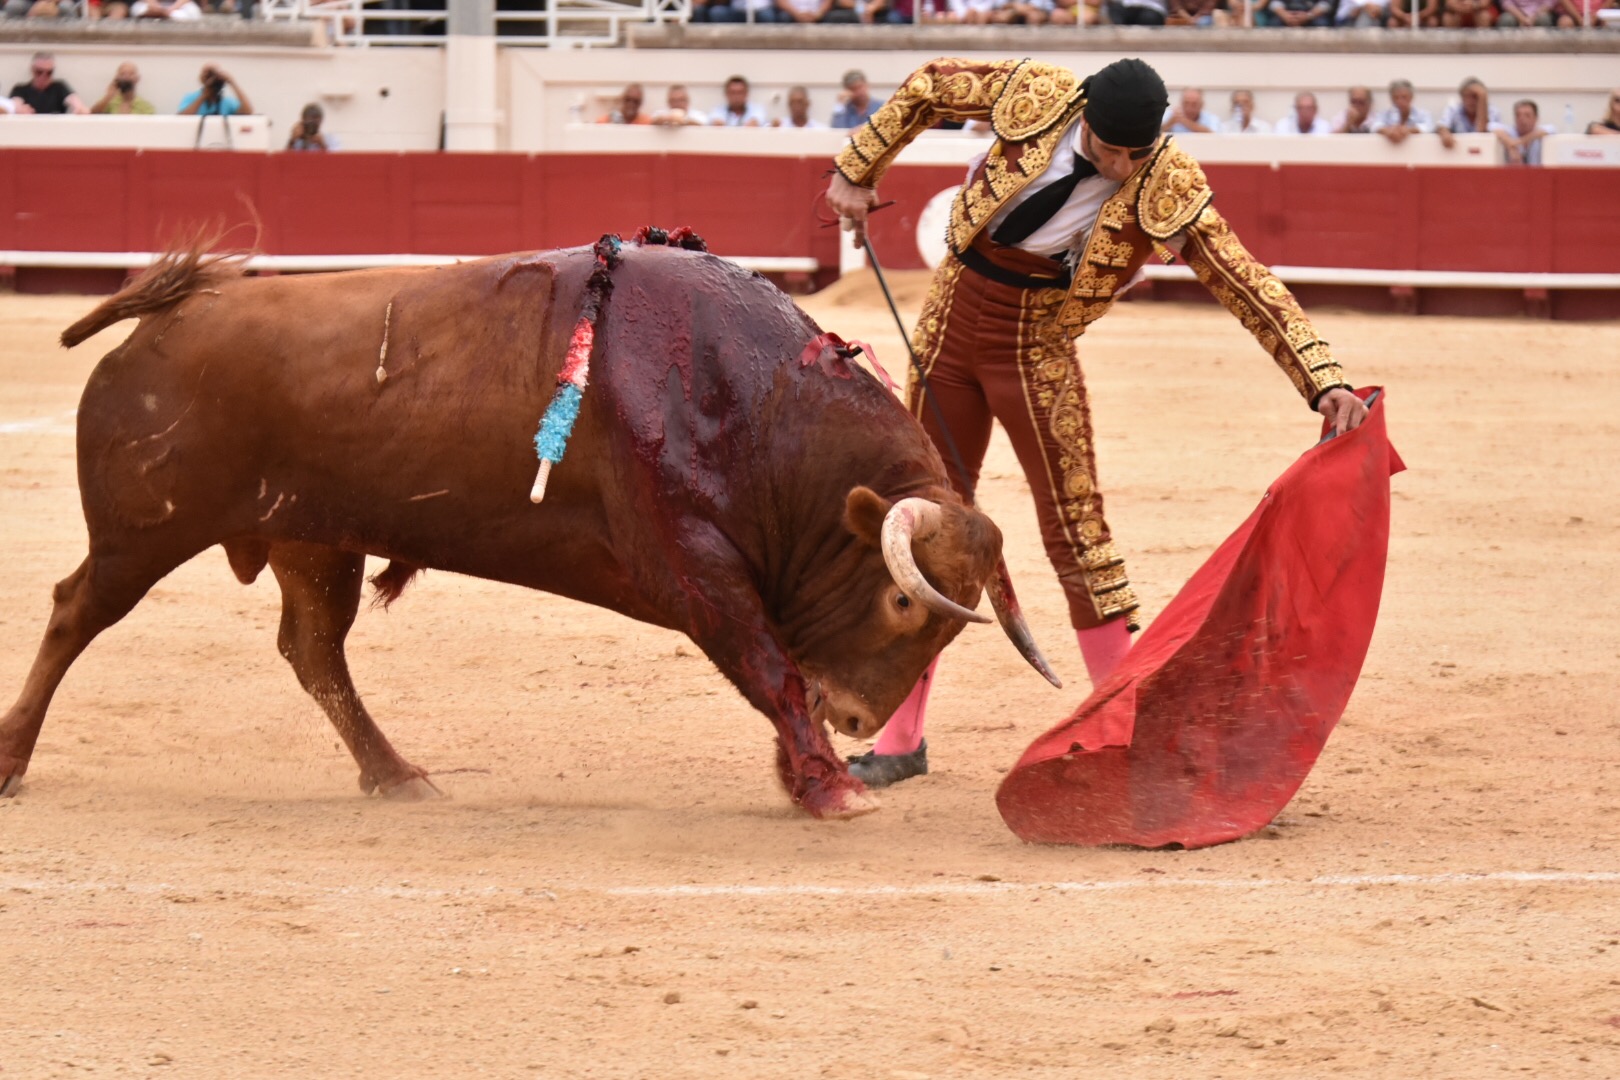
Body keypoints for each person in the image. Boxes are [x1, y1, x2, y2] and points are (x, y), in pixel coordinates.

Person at [822, 57, 1366, 787]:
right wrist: (858, 167)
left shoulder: (1163, 178)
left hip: (1036, 343)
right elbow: (928, 87)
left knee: (1077, 533)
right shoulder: (1035, 93)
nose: (1120, 165)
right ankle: (899, 740)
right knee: (927, 525)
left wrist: (1320, 376)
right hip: (951, 319)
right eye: (1109, 150)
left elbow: (1242, 278)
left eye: (1134, 154)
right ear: (1084, 117)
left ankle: (1124, 733)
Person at [9, 53, 90, 115]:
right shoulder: (20, 89)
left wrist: (80, 108)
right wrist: (19, 109)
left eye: (49, 73)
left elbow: (74, 100)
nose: (43, 76)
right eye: (39, 72)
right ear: (32, 70)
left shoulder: (59, 87)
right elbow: (15, 103)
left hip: (56, 131)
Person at [1437, 77, 1504, 149]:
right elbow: (1442, 125)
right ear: (1462, 97)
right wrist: (1444, 133)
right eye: (1467, 96)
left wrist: (1482, 97)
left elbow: (1481, 132)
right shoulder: (1453, 109)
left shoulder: (1493, 111)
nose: (1470, 101)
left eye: (1475, 96)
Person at [1373, 79, 1435, 144]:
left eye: (1404, 97)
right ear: (1391, 99)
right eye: (1396, 97)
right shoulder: (1384, 114)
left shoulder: (1423, 114)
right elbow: (1375, 126)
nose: (1400, 101)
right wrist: (1388, 131)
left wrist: (1408, 130)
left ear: (1411, 97)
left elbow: (1428, 127)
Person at [179, 65, 253, 117]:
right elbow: (182, 117)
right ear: (201, 78)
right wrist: (204, 95)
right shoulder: (191, 98)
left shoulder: (226, 101)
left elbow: (247, 112)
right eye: (207, 75)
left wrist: (232, 83)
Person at [1499, 99, 1555, 165]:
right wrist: (1510, 145)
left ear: (1536, 118)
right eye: (1518, 115)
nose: (1522, 119)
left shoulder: (1541, 132)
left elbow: (1551, 129)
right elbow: (1491, 127)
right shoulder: (1510, 132)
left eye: (1527, 115)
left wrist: (1518, 142)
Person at [1256, 0, 1333, 23]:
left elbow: (1326, 4)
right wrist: (1284, 14)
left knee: (1322, 24)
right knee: (1274, 23)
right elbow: (1275, 2)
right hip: (1286, 14)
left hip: (1312, 15)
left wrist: (1309, 16)